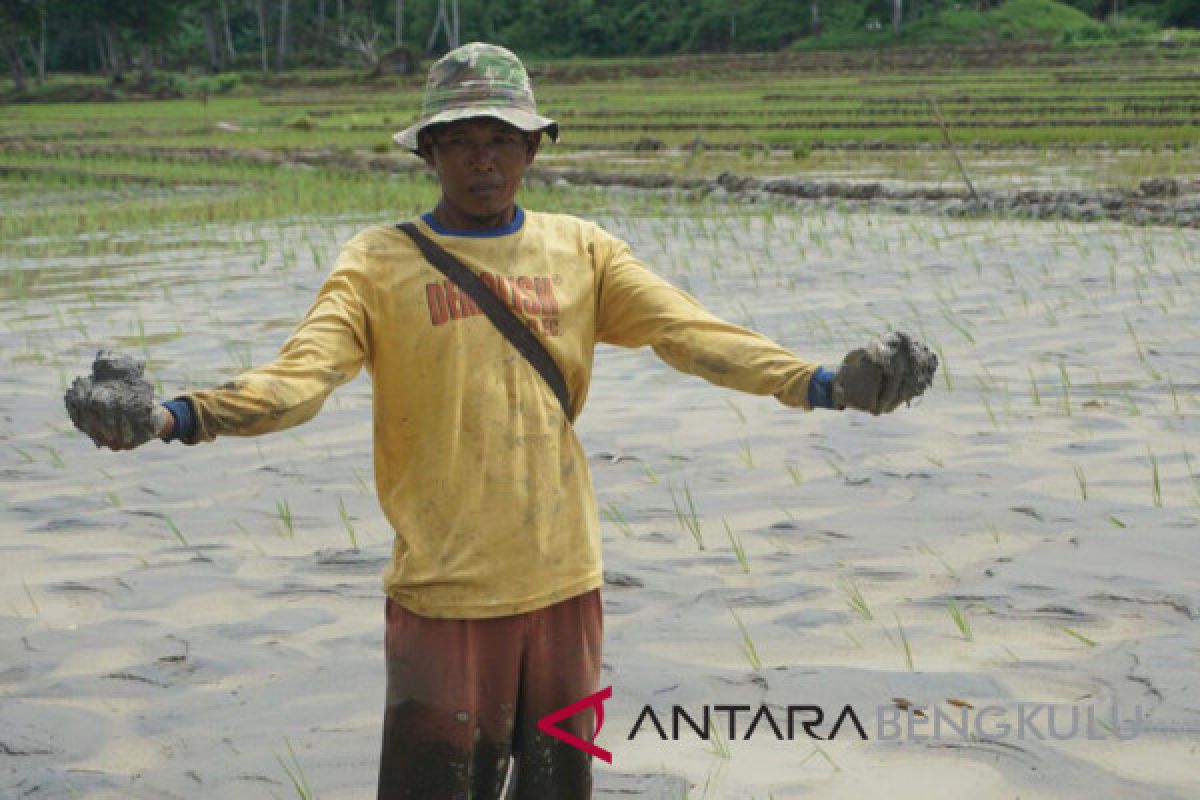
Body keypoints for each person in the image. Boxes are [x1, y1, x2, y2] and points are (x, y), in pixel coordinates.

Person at [85, 42, 931, 800]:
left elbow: (693, 335)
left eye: (500, 139)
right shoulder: (377, 264)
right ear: (428, 152)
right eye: (460, 140)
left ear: (531, 148)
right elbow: (300, 379)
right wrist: (172, 416)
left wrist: (825, 383)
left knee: (561, 789)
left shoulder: (583, 251)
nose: (482, 159)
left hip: (567, 585)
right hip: (444, 595)